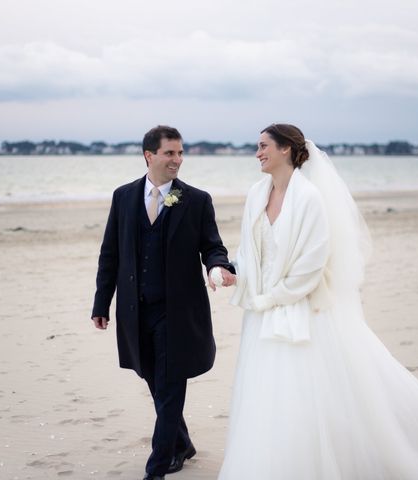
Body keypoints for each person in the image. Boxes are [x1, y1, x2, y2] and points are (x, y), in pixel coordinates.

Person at [218, 123, 418, 479]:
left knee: (307, 391)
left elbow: (312, 262)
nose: (257, 153)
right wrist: (235, 274)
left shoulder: (308, 197)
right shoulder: (257, 193)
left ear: (286, 149)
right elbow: (252, 250)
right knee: (266, 393)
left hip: (301, 309)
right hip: (262, 313)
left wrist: (273, 297)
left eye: (263, 146)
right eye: (257, 147)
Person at [91, 125, 236, 480]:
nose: (177, 160)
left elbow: (212, 245)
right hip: (135, 310)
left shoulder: (197, 200)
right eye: (170, 153)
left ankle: (157, 468)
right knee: (154, 381)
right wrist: (101, 304)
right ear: (149, 155)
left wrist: (219, 265)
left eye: (181, 153)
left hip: (178, 312)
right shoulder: (123, 197)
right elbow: (110, 254)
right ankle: (183, 444)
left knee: (170, 386)